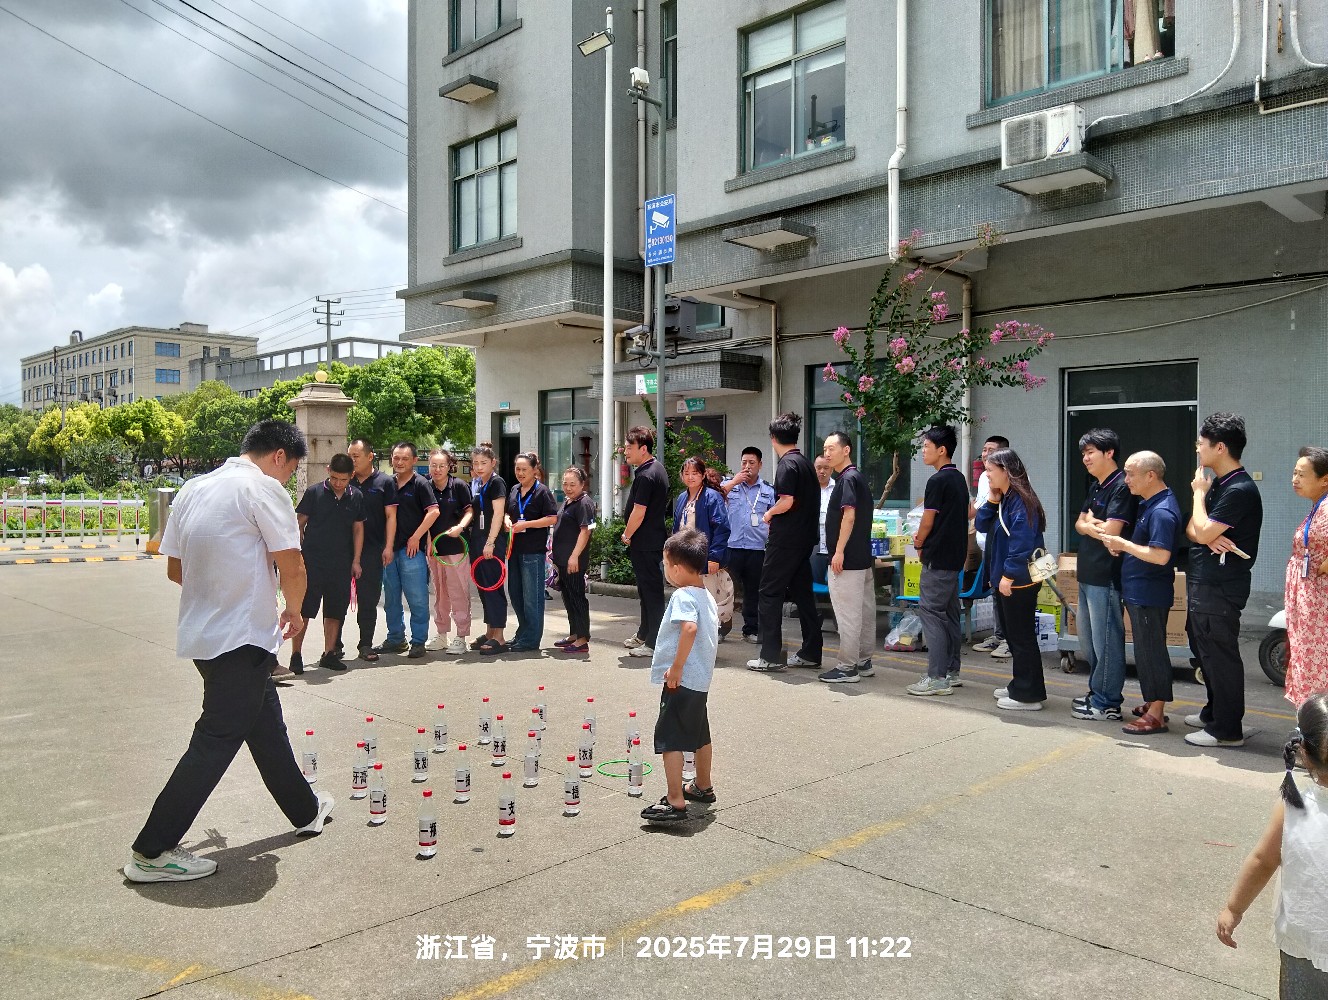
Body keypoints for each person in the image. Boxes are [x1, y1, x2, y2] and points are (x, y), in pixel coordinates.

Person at [124, 420, 333, 883]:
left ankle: (306, 810)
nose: (287, 480)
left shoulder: (194, 488)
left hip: (207, 636)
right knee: (216, 739)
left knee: (266, 726)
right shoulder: (263, 489)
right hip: (241, 637)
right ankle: (151, 851)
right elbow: (293, 564)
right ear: (279, 456)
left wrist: (223, 591)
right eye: (290, 470)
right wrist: (294, 612)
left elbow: (176, 570)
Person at [1217, 693, 1328, 995]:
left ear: (1303, 752)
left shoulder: (1294, 805)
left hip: (1304, 941)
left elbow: (1262, 860)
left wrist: (1233, 908)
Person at [1185, 412, 1263, 748]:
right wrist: (1206, 532)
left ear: (1220, 447)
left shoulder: (1239, 489)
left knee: (1220, 655)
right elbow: (1193, 529)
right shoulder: (1219, 483)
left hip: (1221, 586)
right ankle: (1213, 714)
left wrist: (1198, 497)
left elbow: (1201, 529)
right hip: (1205, 581)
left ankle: (1227, 729)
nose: (1197, 449)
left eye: (1201, 443)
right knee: (1204, 652)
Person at [639, 528, 719, 824]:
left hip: (681, 680)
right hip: (700, 681)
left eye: (665, 564)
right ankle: (702, 785)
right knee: (700, 734)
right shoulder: (706, 595)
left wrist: (676, 667)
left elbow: (689, 628)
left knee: (670, 738)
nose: (665, 570)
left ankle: (675, 799)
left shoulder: (683, 595)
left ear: (676, 568)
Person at [1101, 452, 1182, 735]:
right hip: (1141, 591)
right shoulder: (1151, 503)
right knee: (1146, 649)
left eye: (1130, 474)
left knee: (1151, 652)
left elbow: (1160, 555)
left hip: (1149, 592)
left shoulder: (1162, 511)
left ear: (1151, 475)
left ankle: (1156, 713)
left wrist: (1123, 544)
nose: (1126, 480)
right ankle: (1152, 703)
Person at [1070, 428, 1137, 722]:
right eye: (1083, 453)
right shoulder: (1097, 485)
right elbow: (1079, 522)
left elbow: (1112, 531)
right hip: (1088, 573)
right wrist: (1089, 525)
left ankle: (1107, 703)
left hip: (1106, 575)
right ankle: (1096, 692)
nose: (1085, 458)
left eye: (1090, 452)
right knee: (1090, 642)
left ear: (1109, 453)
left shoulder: (1121, 486)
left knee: (1106, 641)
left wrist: (1090, 525)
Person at [974, 448, 1048, 711]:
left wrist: (1007, 576)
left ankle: (1028, 694)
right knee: (1015, 636)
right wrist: (992, 500)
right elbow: (981, 525)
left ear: (1006, 471)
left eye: (990, 470)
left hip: (1019, 580)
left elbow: (1021, 544)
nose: (987, 475)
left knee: (1021, 636)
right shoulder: (1006, 499)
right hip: (1008, 578)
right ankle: (1020, 684)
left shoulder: (1021, 502)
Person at [749, 412, 822, 673]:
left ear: (773, 438)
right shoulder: (805, 464)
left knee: (769, 593)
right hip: (804, 540)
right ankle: (811, 651)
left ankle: (770, 656)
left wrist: (769, 513)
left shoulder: (787, 465)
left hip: (785, 540)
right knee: (803, 595)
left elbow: (787, 501)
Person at [907, 425, 970, 696]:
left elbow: (927, 520)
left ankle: (937, 677)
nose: (923, 451)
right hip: (955, 558)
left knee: (931, 614)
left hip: (938, 558)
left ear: (942, 450)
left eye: (926, 446)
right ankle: (951, 671)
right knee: (950, 614)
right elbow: (968, 513)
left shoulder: (937, 481)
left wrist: (919, 542)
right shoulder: (959, 479)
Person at [288, 453, 365, 674]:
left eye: (343, 479)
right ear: (328, 471)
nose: (338, 483)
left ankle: (329, 653)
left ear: (351, 476)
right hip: (313, 561)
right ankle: (296, 654)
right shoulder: (314, 492)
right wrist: (298, 551)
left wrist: (356, 560)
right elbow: (299, 522)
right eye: (334, 478)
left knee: (335, 609)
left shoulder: (356, 496)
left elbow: (358, 529)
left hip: (341, 562)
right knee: (305, 609)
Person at [816, 432, 877, 684]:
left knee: (847, 615)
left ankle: (847, 667)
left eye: (832, 448)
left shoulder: (847, 479)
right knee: (864, 612)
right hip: (862, 558)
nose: (827, 453)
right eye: (825, 449)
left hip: (847, 560)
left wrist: (839, 551)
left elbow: (849, 516)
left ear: (846, 450)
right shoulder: (856, 477)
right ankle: (863, 661)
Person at [377, 442, 438, 658]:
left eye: (404, 458)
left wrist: (416, 537)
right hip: (389, 550)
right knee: (391, 599)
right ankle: (396, 639)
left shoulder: (421, 483)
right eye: (396, 458)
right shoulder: (387, 483)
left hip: (412, 551)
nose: (400, 462)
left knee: (417, 598)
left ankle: (418, 641)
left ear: (414, 460)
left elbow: (433, 512)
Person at [621, 426, 670, 658]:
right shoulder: (653, 468)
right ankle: (644, 633)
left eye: (629, 448)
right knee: (646, 590)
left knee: (651, 592)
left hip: (647, 542)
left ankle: (653, 642)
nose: (625, 452)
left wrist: (627, 534)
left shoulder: (647, 474)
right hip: (649, 541)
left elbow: (639, 512)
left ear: (643, 449)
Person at [1284, 447, 1328, 707]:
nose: (1295, 479)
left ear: (1325, 479)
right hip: (1308, 603)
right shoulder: (1318, 506)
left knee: (1317, 663)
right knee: (1306, 658)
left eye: (1302, 474)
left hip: (1319, 605)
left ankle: (1316, 721)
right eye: (1294, 473)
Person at [347, 439, 397, 662]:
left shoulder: (385, 482)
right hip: (343, 548)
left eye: (356, 456)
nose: (352, 460)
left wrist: (388, 546)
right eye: (350, 456)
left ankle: (365, 644)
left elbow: (391, 516)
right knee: (337, 599)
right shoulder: (345, 480)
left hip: (372, 548)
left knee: (368, 600)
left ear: (370, 456)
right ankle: (333, 646)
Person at [672, 456, 733, 637]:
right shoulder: (682, 498)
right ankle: (690, 635)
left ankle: (710, 635)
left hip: (704, 557)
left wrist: (714, 556)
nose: (690, 477)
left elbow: (721, 528)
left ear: (703, 475)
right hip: (685, 557)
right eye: (686, 473)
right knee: (688, 598)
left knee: (708, 598)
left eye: (695, 473)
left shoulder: (711, 497)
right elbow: (676, 529)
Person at [720, 447, 776, 644]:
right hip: (732, 547)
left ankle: (751, 629)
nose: (747, 466)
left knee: (753, 592)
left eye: (752, 463)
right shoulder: (728, 485)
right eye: (744, 462)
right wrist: (734, 481)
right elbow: (715, 498)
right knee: (726, 591)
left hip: (756, 548)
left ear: (760, 465)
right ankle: (721, 628)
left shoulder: (768, 490)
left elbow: (774, 516)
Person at [505, 452, 559, 652]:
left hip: (533, 552)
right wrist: (507, 521)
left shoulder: (542, 492)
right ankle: (522, 633)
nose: (520, 473)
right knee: (516, 594)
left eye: (524, 470)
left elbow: (552, 518)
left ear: (535, 470)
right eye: (517, 469)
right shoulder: (514, 490)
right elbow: (508, 513)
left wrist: (527, 524)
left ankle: (531, 639)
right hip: (514, 549)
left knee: (532, 598)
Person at [424, 448, 473, 655]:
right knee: (440, 592)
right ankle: (442, 634)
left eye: (441, 465)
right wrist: (428, 541)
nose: (437, 469)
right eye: (433, 465)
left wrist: (460, 527)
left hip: (457, 548)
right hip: (435, 549)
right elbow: (423, 516)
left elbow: (469, 511)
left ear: (449, 466)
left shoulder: (459, 485)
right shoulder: (425, 485)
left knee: (458, 591)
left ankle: (461, 636)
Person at [468, 442, 509, 655]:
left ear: (493, 462)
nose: (479, 467)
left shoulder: (496, 482)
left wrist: (491, 541)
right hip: (477, 540)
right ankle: (489, 631)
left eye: (483, 463)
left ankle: (499, 636)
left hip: (491, 541)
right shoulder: (478, 484)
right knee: (483, 587)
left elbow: (498, 513)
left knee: (493, 587)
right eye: (476, 463)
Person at [972, 434, 1011, 658]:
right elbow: (980, 513)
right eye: (984, 449)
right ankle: (999, 635)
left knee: (1006, 594)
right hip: (988, 544)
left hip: (1003, 546)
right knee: (995, 592)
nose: (985, 454)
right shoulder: (985, 478)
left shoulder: (1012, 482)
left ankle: (1009, 640)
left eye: (991, 450)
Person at [551, 466, 595, 653]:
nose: (568, 488)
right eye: (565, 484)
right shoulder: (568, 501)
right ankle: (574, 633)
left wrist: (574, 556)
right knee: (568, 597)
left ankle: (582, 639)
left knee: (577, 598)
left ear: (582, 484)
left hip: (574, 560)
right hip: (562, 559)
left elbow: (586, 531)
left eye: (572, 484)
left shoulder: (585, 503)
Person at [811, 455, 836, 586]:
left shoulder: (838, 488)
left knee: (835, 584)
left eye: (826, 468)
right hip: (813, 545)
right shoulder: (806, 489)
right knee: (813, 583)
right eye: (818, 468)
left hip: (834, 545)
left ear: (832, 469)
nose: (822, 471)